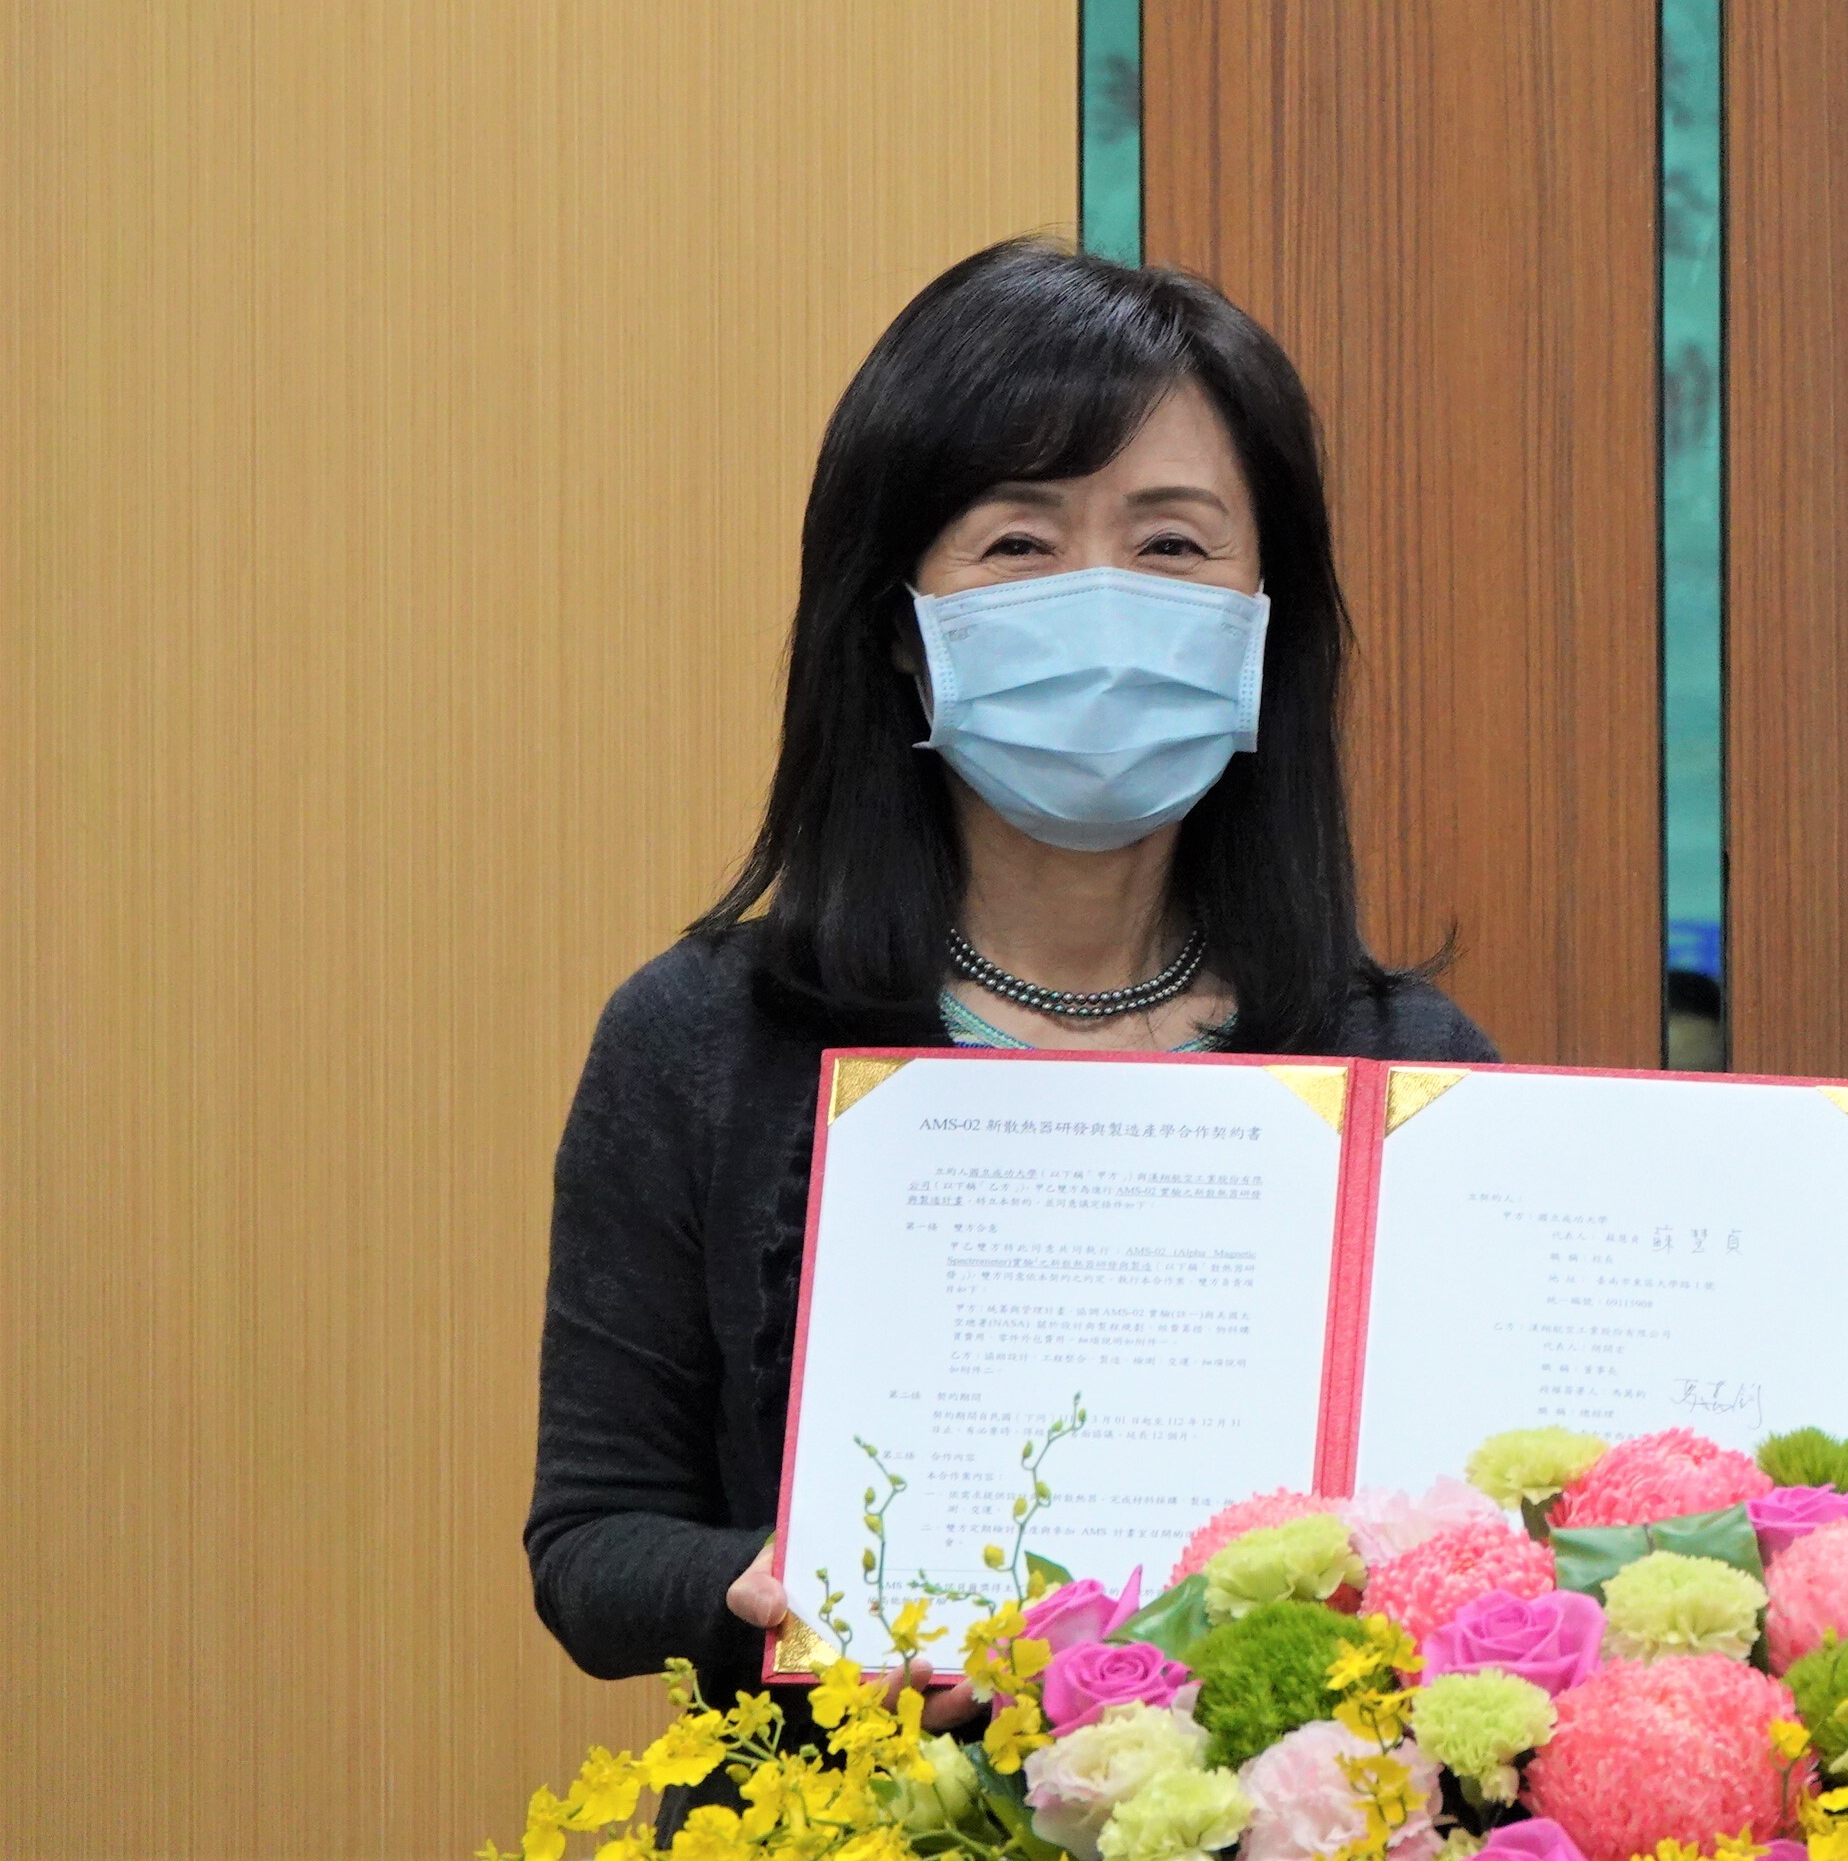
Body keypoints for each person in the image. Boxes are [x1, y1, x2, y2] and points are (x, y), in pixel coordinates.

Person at [526, 239, 1493, 1708]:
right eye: (1019, 546)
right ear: (901, 635)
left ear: (1259, 627)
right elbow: (592, 1543)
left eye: (1173, 546)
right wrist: (761, 1591)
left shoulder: (1410, 1074)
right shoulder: (704, 1040)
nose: (1102, 604)